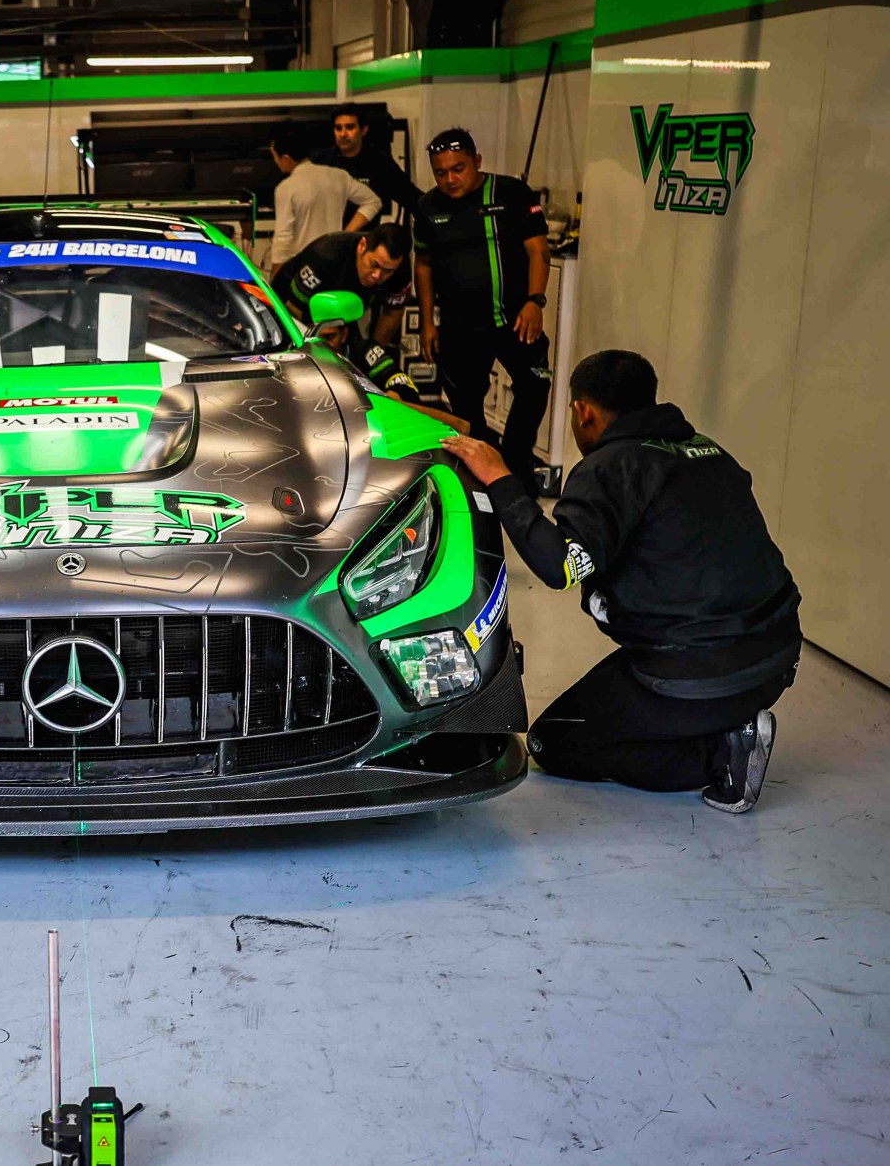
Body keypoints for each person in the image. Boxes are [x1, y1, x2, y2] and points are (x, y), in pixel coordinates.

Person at [443, 350, 801, 814]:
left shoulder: (611, 467)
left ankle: (723, 751)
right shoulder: (708, 451)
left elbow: (561, 566)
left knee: (554, 742)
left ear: (582, 411)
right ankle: (726, 724)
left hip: (697, 672)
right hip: (774, 658)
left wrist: (500, 478)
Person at [414, 126, 553, 497]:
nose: (450, 179)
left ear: (477, 161)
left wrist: (535, 301)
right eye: (440, 172)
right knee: (465, 407)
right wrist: (427, 322)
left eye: (458, 169)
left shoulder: (511, 193)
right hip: (459, 327)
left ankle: (517, 465)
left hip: (515, 319)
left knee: (534, 386)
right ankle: (481, 479)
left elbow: (538, 250)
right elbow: (423, 265)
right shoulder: (427, 207)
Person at [273, 223, 421, 396]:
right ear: (362, 246)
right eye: (374, 264)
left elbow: (392, 313)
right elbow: (293, 311)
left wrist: (369, 355)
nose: (377, 275)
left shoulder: (400, 272)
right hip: (290, 306)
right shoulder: (325, 255)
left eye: (387, 271)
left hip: (343, 313)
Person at [266, 122, 380, 278]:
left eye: (275, 157)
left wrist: (276, 276)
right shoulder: (338, 176)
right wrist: (345, 234)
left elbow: (283, 237)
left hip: (303, 267)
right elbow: (373, 202)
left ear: (286, 158)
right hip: (335, 261)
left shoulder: (286, 188)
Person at [313, 104, 422, 225]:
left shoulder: (379, 162)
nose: (343, 134)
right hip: (327, 232)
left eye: (350, 127)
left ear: (363, 130)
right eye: (338, 128)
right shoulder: (321, 162)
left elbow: (412, 198)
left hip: (367, 233)